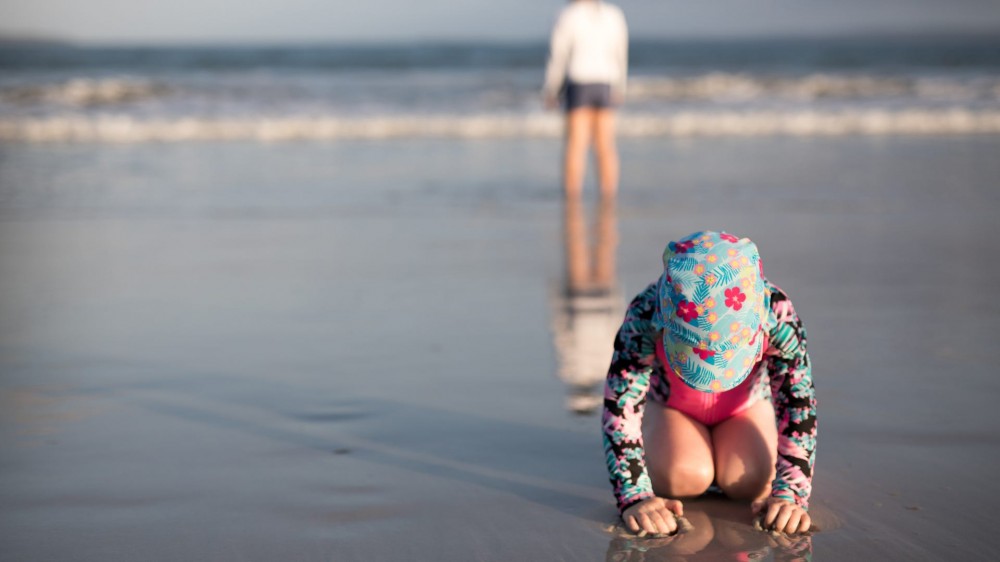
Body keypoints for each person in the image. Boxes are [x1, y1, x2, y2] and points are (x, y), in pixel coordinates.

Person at [602, 231, 817, 536]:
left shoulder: (777, 311)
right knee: (685, 476)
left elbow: (797, 402)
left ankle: (733, 458)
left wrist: (790, 494)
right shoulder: (646, 311)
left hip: (745, 407)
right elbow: (621, 405)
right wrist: (635, 496)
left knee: (749, 480)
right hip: (674, 409)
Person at [543, 0, 628, 199]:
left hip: (579, 81)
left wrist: (551, 89)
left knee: (576, 145)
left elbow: (558, 56)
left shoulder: (567, 15)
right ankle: (608, 196)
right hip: (606, 81)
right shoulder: (613, 14)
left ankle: (572, 198)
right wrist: (621, 86)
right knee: (606, 145)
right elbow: (621, 53)